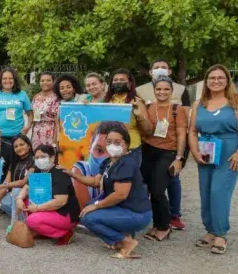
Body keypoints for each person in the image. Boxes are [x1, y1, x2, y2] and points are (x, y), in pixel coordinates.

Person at [70, 122, 151, 259]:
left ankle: (126, 241)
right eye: (109, 142)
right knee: (88, 206)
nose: (112, 145)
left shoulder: (127, 163)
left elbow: (120, 194)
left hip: (137, 214)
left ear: (126, 144)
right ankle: (119, 238)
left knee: (88, 217)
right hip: (123, 208)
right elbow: (96, 182)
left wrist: (96, 206)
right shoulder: (109, 162)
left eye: (117, 142)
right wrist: (72, 174)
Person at [188, 64, 238, 255]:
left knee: (219, 192)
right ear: (206, 82)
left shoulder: (235, 102)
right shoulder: (198, 104)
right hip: (206, 151)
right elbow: (192, 131)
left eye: (220, 78)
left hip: (229, 153)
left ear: (227, 81)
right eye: (212, 78)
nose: (216, 81)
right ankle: (210, 230)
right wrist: (194, 152)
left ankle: (221, 234)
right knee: (206, 192)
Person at [136, 59, 191, 231]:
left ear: (171, 91)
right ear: (154, 90)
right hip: (148, 150)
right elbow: (146, 130)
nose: (162, 92)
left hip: (167, 153)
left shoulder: (178, 109)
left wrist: (179, 158)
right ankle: (154, 222)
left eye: (166, 89)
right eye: (158, 89)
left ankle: (163, 226)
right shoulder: (149, 107)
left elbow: (182, 134)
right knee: (147, 189)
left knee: (159, 191)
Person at [16, 144, 80, 246]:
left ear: (52, 157)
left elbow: (60, 201)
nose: (39, 160)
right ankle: (43, 231)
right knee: (24, 202)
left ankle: (65, 233)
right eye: (37, 157)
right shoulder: (38, 171)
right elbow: (27, 188)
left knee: (31, 221)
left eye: (43, 157)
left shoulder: (60, 173)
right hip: (49, 209)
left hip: (64, 213)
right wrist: (19, 198)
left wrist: (37, 208)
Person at [0, 134, 34, 229]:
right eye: (16, 146)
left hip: (29, 194)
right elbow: (6, 184)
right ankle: (25, 218)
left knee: (16, 191)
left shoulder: (34, 160)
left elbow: (23, 182)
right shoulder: (14, 162)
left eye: (22, 144)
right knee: (1, 202)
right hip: (17, 195)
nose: (19, 148)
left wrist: (3, 186)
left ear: (29, 145)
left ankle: (17, 225)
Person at [105, 69, 151, 153]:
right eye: (115, 80)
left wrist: (139, 115)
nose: (118, 82)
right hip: (109, 148)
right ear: (111, 84)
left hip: (131, 147)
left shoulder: (136, 102)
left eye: (122, 80)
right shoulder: (106, 102)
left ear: (129, 83)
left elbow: (148, 130)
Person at [52, 74, 85, 145]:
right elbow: (57, 125)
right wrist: (55, 141)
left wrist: (88, 102)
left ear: (74, 89)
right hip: (65, 140)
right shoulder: (60, 104)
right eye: (62, 88)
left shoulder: (84, 98)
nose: (65, 90)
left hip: (82, 139)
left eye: (68, 87)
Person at [31, 72, 59, 149]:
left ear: (53, 82)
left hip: (49, 133)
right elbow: (34, 117)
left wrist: (55, 139)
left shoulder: (55, 98)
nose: (45, 82)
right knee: (37, 157)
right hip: (36, 133)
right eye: (42, 80)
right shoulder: (36, 97)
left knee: (48, 157)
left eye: (48, 80)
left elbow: (57, 122)